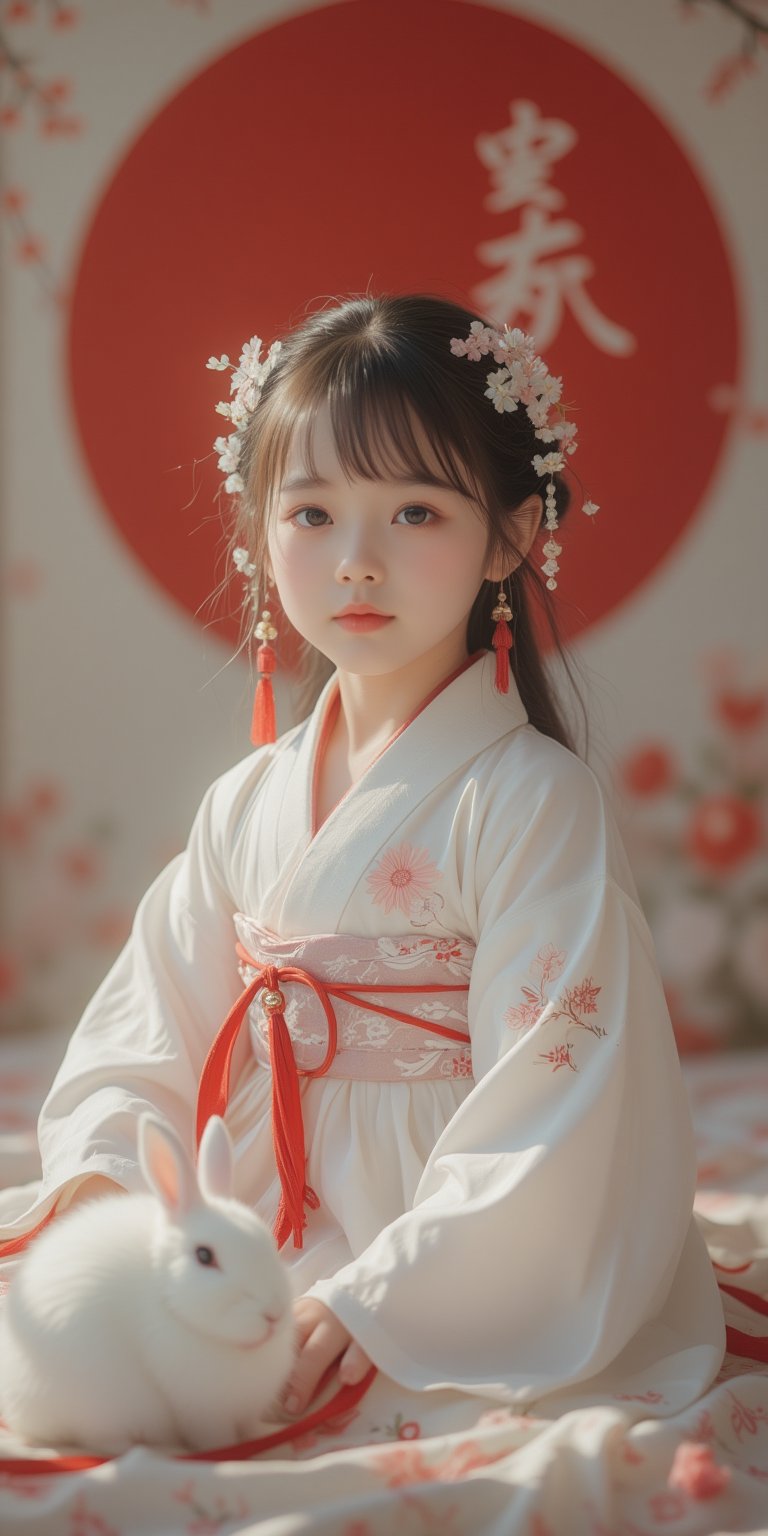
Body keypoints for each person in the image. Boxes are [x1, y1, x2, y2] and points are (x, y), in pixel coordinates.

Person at [0, 293, 726, 1428]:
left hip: (435, 1241)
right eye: (312, 514)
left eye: (418, 513)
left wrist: (387, 1296)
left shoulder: (532, 801)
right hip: (254, 1224)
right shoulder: (247, 801)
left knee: (347, 1401)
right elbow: (150, 1023)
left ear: (512, 532)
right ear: (258, 532)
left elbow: (559, 1093)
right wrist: (105, 1186)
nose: (356, 563)